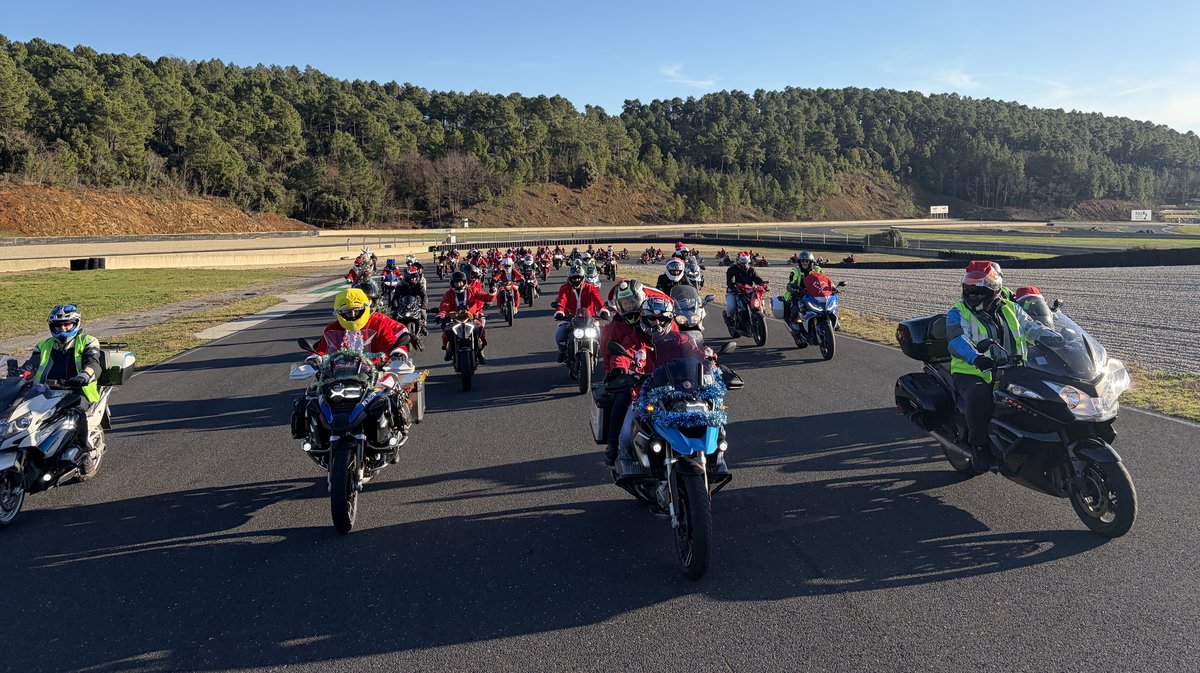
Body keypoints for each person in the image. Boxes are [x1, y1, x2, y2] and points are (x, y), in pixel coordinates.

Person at [947, 261, 1056, 471]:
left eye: (980, 287)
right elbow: (956, 341)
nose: (974, 292)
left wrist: (1055, 338)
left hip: (1012, 368)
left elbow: (1030, 327)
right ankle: (979, 447)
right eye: (969, 286)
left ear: (995, 287)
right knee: (981, 398)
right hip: (973, 372)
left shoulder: (1011, 307)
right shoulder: (958, 311)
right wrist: (977, 357)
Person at [599, 280, 668, 465]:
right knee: (620, 401)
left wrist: (706, 357)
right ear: (619, 306)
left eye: (633, 302)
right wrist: (617, 372)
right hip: (631, 377)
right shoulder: (617, 329)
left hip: (664, 376)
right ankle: (613, 445)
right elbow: (614, 354)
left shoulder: (660, 319)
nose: (630, 307)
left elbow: (683, 342)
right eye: (626, 304)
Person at [612, 297, 682, 480]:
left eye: (662, 319)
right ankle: (626, 461)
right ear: (643, 319)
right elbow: (624, 354)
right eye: (651, 319)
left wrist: (709, 358)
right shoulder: (635, 338)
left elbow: (694, 350)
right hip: (643, 395)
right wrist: (620, 368)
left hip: (675, 392)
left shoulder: (676, 338)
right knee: (626, 436)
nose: (657, 323)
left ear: (669, 320)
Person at [18, 304, 103, 455]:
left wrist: (83, 376)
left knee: (76, 413)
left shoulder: (88, 341)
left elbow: (93, 364)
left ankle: (84, 450)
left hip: (77, 390)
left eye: (66, 324)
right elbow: (32, 365)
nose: (62, 329)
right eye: (58, 325)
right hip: (45, 392)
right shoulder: (43, 345)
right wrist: (20, 373)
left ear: (76, 323)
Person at [553, 264, 607, 363]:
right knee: (560, 335)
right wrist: (560, 312)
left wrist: (603, 310)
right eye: (574, 278)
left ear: (583, 277)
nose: (576, 280)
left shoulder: (590, 287)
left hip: (589, 319)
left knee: (601, 336)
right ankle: (562, 352)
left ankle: (600, 355)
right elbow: (562, 299)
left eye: (578, 278)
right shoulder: (565, 288)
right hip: (570, 318)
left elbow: (597, 299)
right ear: (569, 278)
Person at [437, 271, 494, 364]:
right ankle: (449, 350)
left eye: (461, 282)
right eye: (456, 282)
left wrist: (492, 291)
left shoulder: (472, 290)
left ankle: (480, 352)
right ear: (452, 283)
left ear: (464, 282)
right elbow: (444, 305)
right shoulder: (449, 294)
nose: (459, 284)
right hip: (454, 319)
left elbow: (486, 297)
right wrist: (441, 314)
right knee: (447, 330)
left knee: (480, 329)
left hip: (471, 318)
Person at [724, 251, 766, 325]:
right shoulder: (732, 269)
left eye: (746, 262)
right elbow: (730, 281)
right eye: (743, 263)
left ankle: (758, 317)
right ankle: (729, 319)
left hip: (749, 291)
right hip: (735, 291)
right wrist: (734, 286)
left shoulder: (751, 270)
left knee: (759, 302)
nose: (745, 264)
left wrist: (763, 284)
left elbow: (757, 279)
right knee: (731, 308)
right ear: (738, 261)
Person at [783, 251, 821, 323]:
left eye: (807, 261)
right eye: (802, 261)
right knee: (795, 306)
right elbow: (792, 281)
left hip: (814, 293)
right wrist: (794, 286)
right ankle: (793, 322)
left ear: (811, 262)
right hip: (799, 293)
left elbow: (824, 279)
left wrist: (831, 286)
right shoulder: (796, 270)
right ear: (800, 262)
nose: (805, 263)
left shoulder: (817, 269)